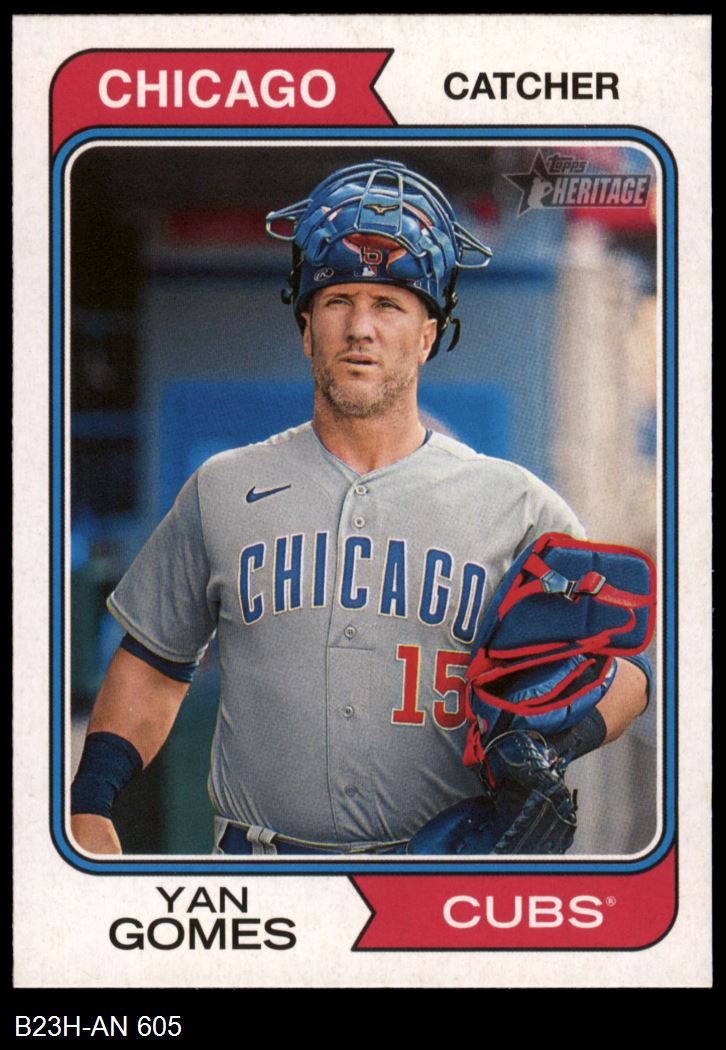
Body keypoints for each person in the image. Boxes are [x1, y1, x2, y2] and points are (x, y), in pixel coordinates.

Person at [70, 159, 650, 856]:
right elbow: (155, 663)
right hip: (260, 874)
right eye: (338, 300)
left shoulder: (519, 507)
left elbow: (624, 672)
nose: (360, 328)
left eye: (389, 305)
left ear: (428, 336)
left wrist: (556, 742)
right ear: (306, 328)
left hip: (437, 877)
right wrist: (90, 804)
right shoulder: (223, 488)